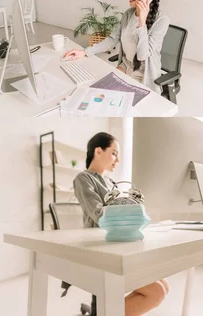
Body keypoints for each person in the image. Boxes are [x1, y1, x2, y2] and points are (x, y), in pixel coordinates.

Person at [73, 132, 168, 316]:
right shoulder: (83, 179)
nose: (117, 160)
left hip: (120, 245)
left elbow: (119, 212)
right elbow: (101, 215)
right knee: (157, 292)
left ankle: (105, 311)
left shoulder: (111, 183)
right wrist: (127, 215)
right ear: (98, 151)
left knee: (163, 284)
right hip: (101, 250)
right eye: (114, 153)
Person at [64, 0, 170, 93]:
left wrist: (142, 21)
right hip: (127, 66)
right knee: (98, 91)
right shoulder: (128, 14)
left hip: (144, 74)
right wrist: (84, 52)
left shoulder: (162, 20)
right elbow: (111, 39)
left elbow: (142, 55)